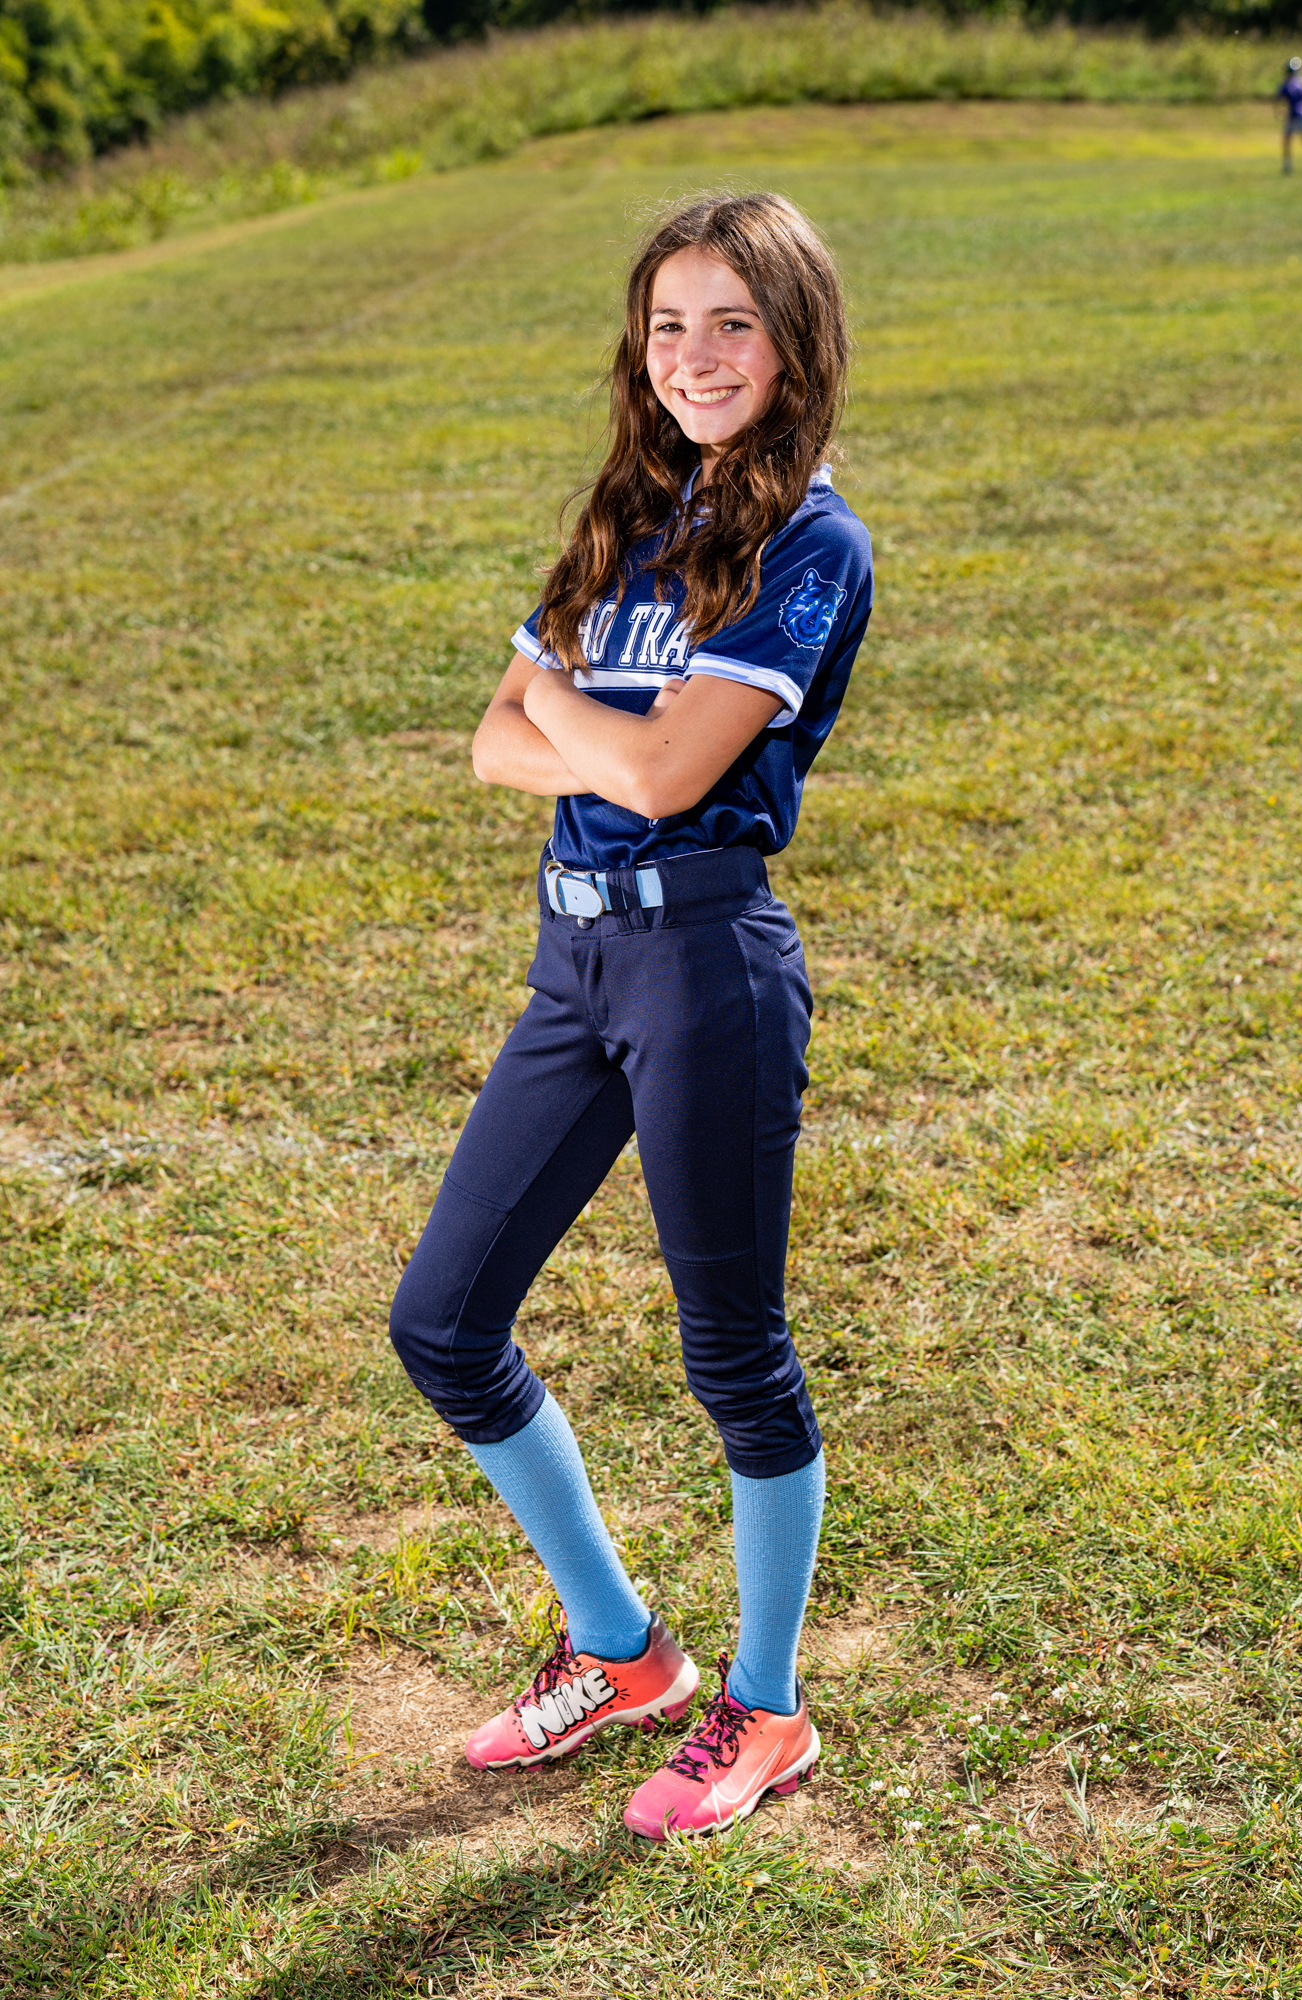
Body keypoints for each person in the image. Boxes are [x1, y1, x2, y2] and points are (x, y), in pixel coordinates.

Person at [388, 192, 874, 1840]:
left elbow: (662, 774)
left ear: (793, 340)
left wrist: (568, 707)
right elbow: (491, 743)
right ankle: (624, 1653)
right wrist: (601, 730)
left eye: (733, 322)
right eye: (670, 324)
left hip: (704, 966)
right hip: (572, 963)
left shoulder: (813, 542)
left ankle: (766, 1707)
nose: (695, 355)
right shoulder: (625, 510)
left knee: (731, 1353)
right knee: (443, 1323)